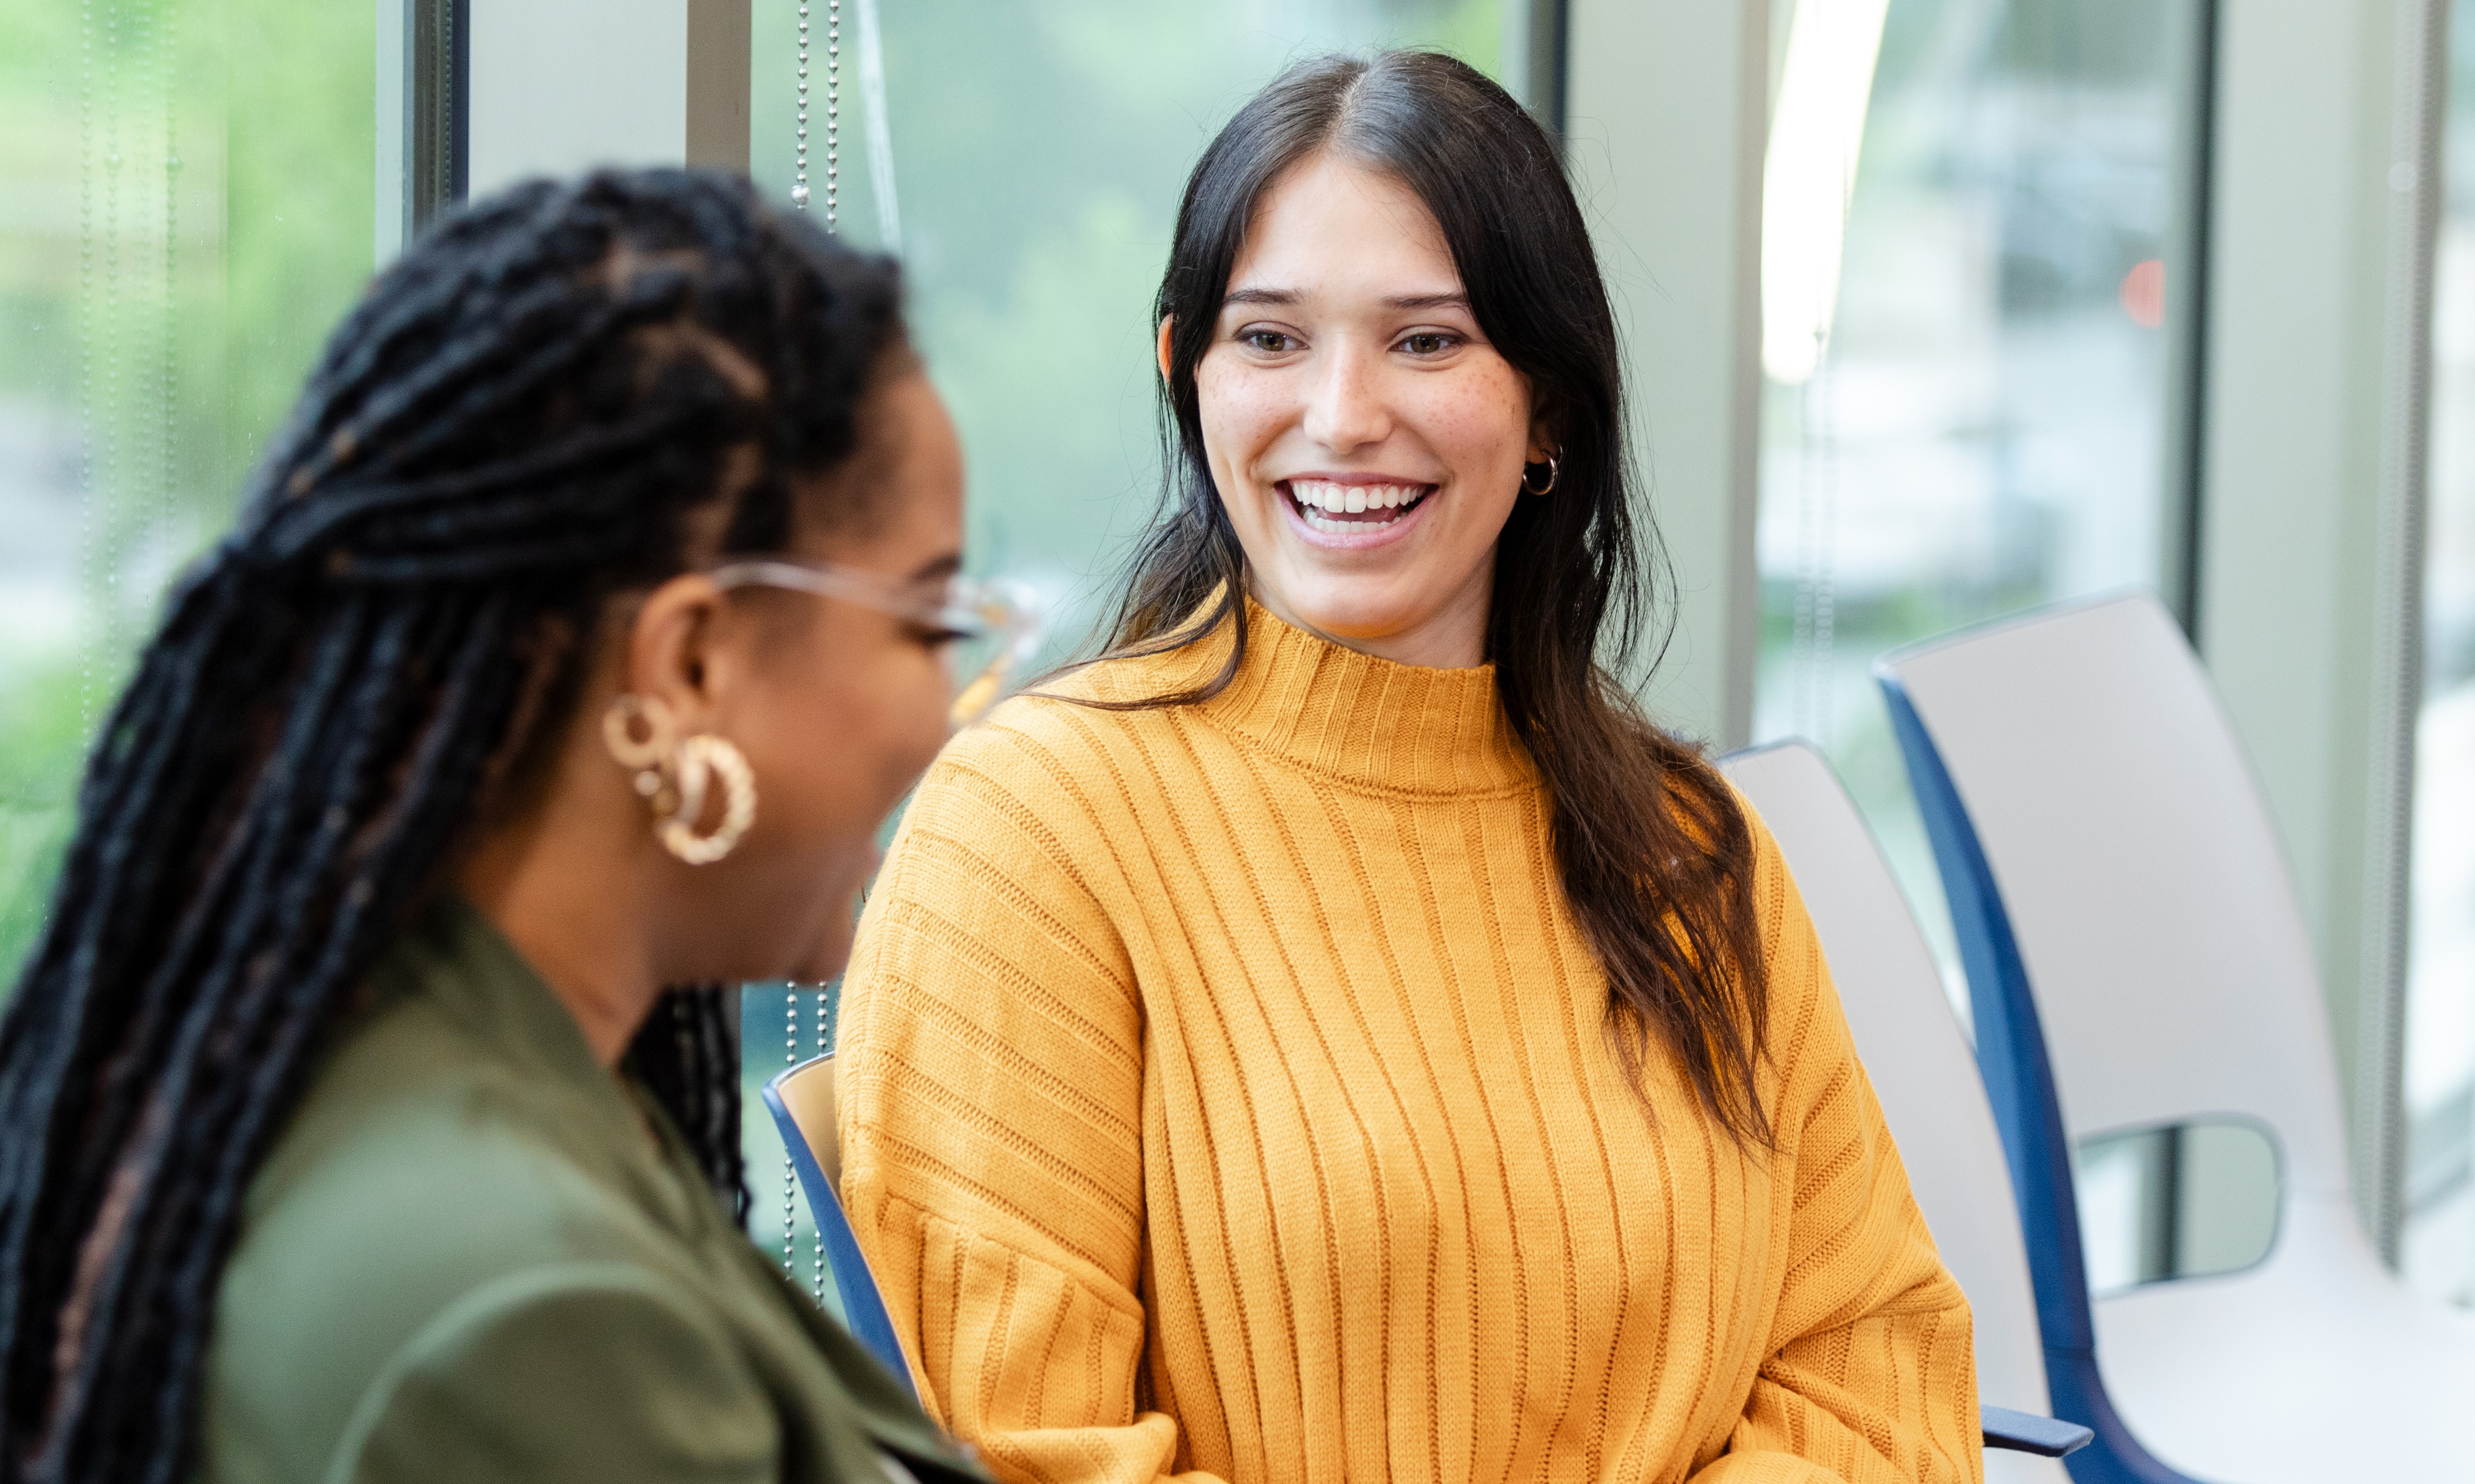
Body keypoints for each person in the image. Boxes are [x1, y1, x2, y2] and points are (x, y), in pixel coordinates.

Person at [834, 52, 1979, 1484]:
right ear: (1186, 376)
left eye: (1426, 342)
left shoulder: (1687, 845)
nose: (1342, 415)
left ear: (1548, 407)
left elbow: (1879, 1378)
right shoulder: (1031, 833)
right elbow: (1018, 1451)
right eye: (1270, 340)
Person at [0, 170, 994, 1484]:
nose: (958, 714)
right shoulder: (529, 1310)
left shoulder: (493, 1082)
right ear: (688, 669)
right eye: (926, 626)